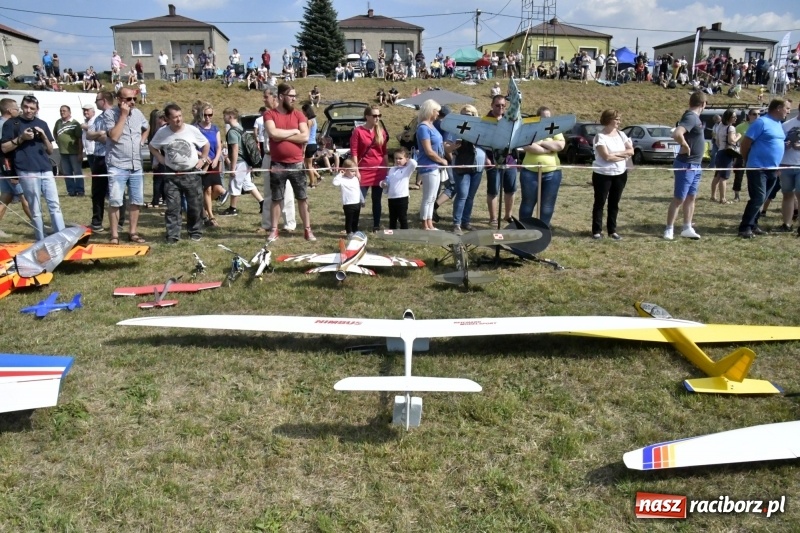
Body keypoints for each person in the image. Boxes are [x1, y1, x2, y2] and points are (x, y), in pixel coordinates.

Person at [1, 94, 65, 241]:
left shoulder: (42, 123)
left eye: (32, 108)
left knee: (55, 205)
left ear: (37, 109)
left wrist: (43, 136)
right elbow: (4, 148)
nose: (28, 110)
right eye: (25, 107)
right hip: (26, 170)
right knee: (35, 209)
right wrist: (21, 138)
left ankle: (62, 238)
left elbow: (50, 150)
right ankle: (41, 239)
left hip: (45, 169)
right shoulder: (11, 124)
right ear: (22, 106)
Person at [149, 103, 209, 243]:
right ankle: (173, 235)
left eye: (180, 116)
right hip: (171, 175)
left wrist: (203, 159)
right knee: (173, 207)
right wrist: (160, 159)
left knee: (195, 205)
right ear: (168, 119)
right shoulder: (162, 132)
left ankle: (195, 231)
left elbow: (206, 145)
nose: (179, 119)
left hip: (191, 174)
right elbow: (152, 146)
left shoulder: (191, 130)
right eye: (175, 117)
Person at [264, 83, 315, 242]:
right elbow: (272, 133)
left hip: (297, 163)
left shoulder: (299, 115)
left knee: (302, 197)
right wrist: (294, 132)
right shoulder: (269, 114)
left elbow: (305, 137)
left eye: (294, 96)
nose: (294, 98)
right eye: (291, 96)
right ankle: (274, 230)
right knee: (276, 198)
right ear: (280, 97)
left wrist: (282, 135)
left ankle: (307, 230)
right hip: (277, 164)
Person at [99, 87, 149, 244]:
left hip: (136, 165)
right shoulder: (109, 114)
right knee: (115, 201)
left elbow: (146, 127)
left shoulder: (139, 113)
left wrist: (142, 141)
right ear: (119, 100)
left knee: (136, 200)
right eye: (128, 99)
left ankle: (132, 232)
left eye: (134, 99)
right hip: (117, 164)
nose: (132, 102)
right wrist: (123, 115)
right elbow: (113, 136)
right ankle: (114, 235)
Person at [738, 98, 791, 238]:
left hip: (773, 169)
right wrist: (747, 160)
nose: (788, 111)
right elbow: (745, 143)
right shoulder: (761, 122)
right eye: (787, 108)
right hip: (757, 168)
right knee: (758, 197)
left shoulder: (779, 124)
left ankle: (754, 225)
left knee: (763, 198)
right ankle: (745, 227)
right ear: (778, 108)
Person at [664, 91, 707, 240]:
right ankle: (669, 229)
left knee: (691, 197)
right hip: (686, 164)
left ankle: (687, 227)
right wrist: (684, 145)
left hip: (696, 164)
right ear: (703, 104)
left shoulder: (694, 118)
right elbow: (677, 133)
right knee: (679, 198)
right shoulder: (691, 117)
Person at [590, 109, 633, 240]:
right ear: (608, 120)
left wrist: (617, 155)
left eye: (619, 119)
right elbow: (606, 157)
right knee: (600, 202)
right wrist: (622, 154)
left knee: (614, 203)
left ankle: (612, 230)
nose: (619, 122)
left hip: (620, 173)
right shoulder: (600, 137)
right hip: (603, 174)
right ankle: (596, 230)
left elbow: (631, 151)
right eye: (616, 119)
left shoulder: (621, 134)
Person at [519, 106, 565, 227]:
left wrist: (540, 142)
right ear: (538, 117)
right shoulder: (530, 128)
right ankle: (524, 229)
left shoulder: (555, 128)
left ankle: (543, 230)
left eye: (548, 117)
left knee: (547, 205)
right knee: (528, 203)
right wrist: (548, 150)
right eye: (544, 117)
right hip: (530, 172)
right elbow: (527, 145)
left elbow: (560, 146)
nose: (546, 119)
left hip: (552, 172)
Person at [350, 104, 389, 232]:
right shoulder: (358, 131)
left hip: (379, 170)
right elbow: (354, 152)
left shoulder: (382, 132)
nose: (377, 118)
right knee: (358, 200)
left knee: (377, 200)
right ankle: (353, 226)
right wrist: (356, 170)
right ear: (367, 117)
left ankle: (376, 225)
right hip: (363, 169)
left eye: (379, 115)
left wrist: (387, 169)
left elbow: (384, 152)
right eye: (374, 115)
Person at [449, 105, 486, 234]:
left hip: (478, 165)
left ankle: (466, 221)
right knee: (462, 195)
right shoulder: (455, 128)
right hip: (461, 164)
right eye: (465, 113)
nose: (467, 116)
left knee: (470, 196)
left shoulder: (480, 129)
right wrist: (453, 147)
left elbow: (485, 145)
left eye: (470, 114)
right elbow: (447, 146)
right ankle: (456, 223)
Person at [221, 108, 264, 217]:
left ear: (230, 116)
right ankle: (262, 203)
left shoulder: (232, 132)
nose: (223, 118)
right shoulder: (241, 128)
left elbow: (235, 149)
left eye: (224, 115)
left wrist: (232, 167)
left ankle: (233, 208)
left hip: (239, 162)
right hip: (246, 160)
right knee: (247, 183)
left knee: (234, 184)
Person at [0, 99, 32, 238]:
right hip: (7, 165)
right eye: (16, 108)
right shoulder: (4, 125)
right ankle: (39, 225)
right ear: (9, 111)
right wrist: (12, 172)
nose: (18, 111)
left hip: (4, 165)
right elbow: (5, 148)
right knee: (24, 196)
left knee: (6, 197)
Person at [415, 99, 448, 230]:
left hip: (435, 166)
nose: (438, 114)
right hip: (429, 166)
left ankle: (430, 223)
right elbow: (428, 151)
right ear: (431, 111)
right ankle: (425, 223)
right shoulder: (423, 127)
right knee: (428, 197)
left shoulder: (432, 126)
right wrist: (442, 160)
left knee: (433, 196)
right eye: (437, 111)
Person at [485, 95, 517, 225]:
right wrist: (486, 158)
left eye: (503, 106)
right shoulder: (485, 121)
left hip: (509, 160)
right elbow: (479, 142)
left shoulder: (510, 120)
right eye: (498, 105)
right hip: (492, 160)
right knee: (493, 190)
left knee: (511, 189)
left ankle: (508, 215)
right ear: (492, 105)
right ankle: (493, 218)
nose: (500, 108)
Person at [193, 103, 225, 228]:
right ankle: (210, 216)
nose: (207, 117)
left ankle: (202, 207)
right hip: (202, 162)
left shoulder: (215, 129)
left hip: (214, 162)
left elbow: (218, 146)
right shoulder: (196, 128)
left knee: (217, 189)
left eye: (210, 115)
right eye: (205, 115)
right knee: (207, 189)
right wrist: (203, 156)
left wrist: (217, 158)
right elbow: (192, 146)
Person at [776, 100, 800, 232]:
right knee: (787, 194)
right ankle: (787, 224)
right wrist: (785, 145)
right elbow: (778, 142)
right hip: (786, 164)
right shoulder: (786, 125)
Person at [380, 148, 418, 230]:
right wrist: (383, 184)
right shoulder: (392, 170)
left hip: (402, 197)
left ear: (406, 159)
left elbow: (414, 163)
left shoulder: (407, 169)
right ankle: (392, 232)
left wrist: (408, 160)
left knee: (402, 217)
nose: (398, 160)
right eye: (396, 158)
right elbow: (387, 181)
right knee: (392, 217)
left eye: (400, 158)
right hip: (391, 197)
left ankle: (404, 232)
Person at [710, 110, 740, 205]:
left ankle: (713, 196)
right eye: (733, 117)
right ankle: (722, 198)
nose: (736, 118)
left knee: (718, 175)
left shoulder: (719, 127)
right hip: (726, 153)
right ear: (728, 118)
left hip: (720, 152)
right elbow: (731, 141)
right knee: (724, 177)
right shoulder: (731, 128)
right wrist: (738, 136)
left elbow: (717, 141)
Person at [54, 105, 84, 197]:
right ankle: (71, 191)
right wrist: (58, 141)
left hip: (74, 152)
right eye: (61, 111)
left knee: (77, 172)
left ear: (69, 112)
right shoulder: (58, 122)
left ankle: (80, 191)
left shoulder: (75, 123)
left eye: (64, 111)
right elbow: (55, 132)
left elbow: (80, 139)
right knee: (67, 173)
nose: (62, 112)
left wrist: (80, 153)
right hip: (63, 152)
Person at [332, 159, 362, 236]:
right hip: (348, 204)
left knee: (356, 219)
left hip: (357, 203)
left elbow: (358, 189)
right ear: (345, 170)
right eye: (352, 171)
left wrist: (362, 199)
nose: (354, 173)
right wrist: (340, 174)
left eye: (355, 171)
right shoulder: (342, 179)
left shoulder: (355, 179)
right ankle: (349, 232)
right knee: (349, 219)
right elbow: (335, 183)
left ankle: (355, 231)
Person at [301, 103, 320, 189]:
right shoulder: (314, 120)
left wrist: (304, 147)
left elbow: (307, 134)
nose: (303, 113)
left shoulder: (309, 121)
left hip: (309, 144)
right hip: (314, 144)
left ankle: (312, 184)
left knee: (308, 166)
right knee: (309, 164)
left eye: (303, 111)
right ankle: (318, 176)